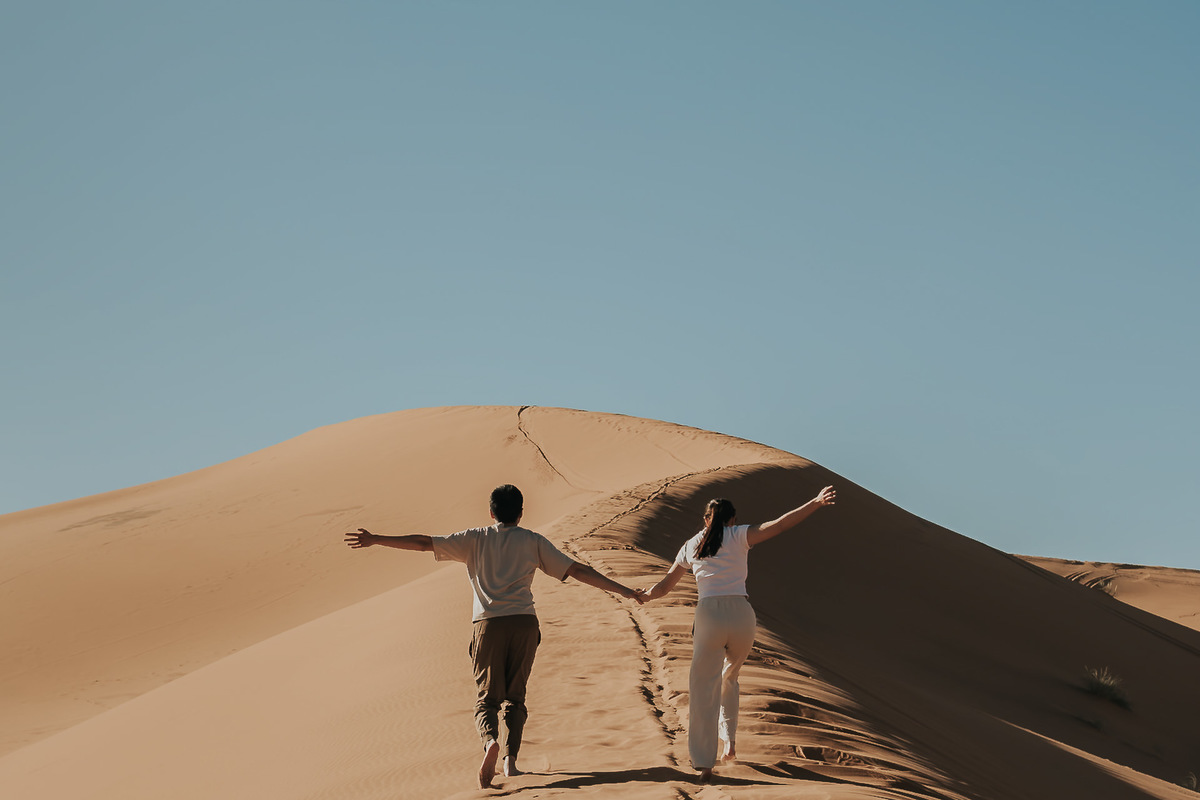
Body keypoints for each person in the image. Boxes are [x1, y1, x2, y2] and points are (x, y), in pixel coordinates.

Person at [344, 484, 642, 789]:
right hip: (525, 623)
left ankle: (490, 743)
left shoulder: (475, 539)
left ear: (491, 512)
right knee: (516, 697)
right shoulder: (533, 541)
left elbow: (424, 543)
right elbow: (576, 570)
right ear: (521, 513)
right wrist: (625, 590)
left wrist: (377, 539)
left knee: (487, 700)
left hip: (488, 624)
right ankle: (511, 763)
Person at [637, 485, 836, 782]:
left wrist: (644, 596)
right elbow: (779, 524)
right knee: (730, 677)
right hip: (742, 615)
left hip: (709, 616)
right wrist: (815, 502)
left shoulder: (691, 545)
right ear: (732, 519)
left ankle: (704, 762)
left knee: (704, 687)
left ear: (707, 519)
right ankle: (729, 742)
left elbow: (664, 587)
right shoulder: (740, 534)